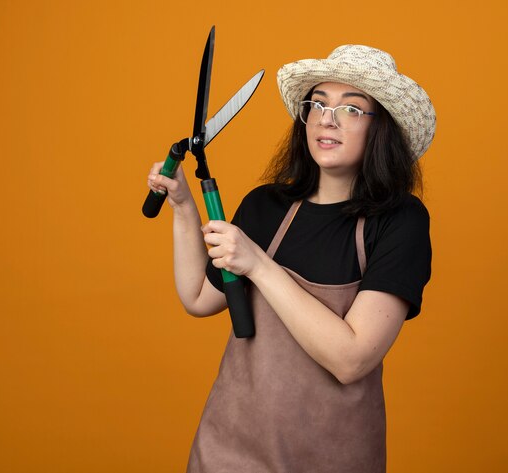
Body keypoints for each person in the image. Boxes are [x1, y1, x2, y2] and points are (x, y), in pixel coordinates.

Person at [147, 44, 436, 473]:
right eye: (317, 103)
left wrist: (259, 265)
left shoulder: (399, 222)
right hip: (229, 448)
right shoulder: (266, 206)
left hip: (331, 457)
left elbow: (351, 358)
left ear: (383, 130)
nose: (327, 118)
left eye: (352, 110)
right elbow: (198, 297)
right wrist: (185, 208)